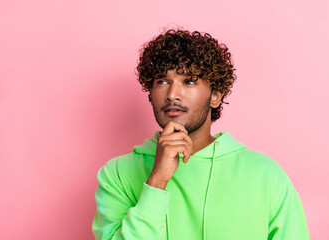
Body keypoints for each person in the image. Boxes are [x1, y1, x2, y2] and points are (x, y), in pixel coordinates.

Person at [92, 28, 310, 240]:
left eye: (189, 81)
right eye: (162, 81)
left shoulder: (266, 175)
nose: (172, 94)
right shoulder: (117, 174)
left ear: (215, 96)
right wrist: (157, 181)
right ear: (150, 94)